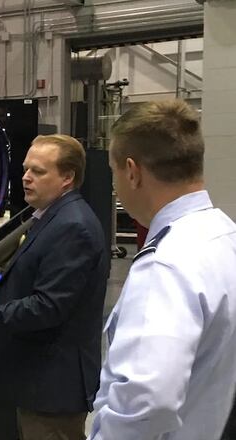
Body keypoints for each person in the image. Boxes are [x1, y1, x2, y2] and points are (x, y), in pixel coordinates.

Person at [0, 134, 110, 440]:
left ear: (68, 177)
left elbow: (48, 307)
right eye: (26, 169)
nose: (26, 177)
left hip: (53, 389)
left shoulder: (72, 227)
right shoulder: (50, 219)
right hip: (38, 383)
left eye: (38, 171)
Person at [89, 100, 236, 440]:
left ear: (132, 171)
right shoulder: (224, 235)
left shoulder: (165, 265)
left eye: (114, 172)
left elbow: (145, 404)